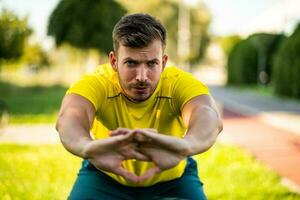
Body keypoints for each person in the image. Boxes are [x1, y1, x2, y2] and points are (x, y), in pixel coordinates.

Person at [56, 13, 223, 200]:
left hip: (173, 178)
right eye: (131, 63)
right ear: (113, 62)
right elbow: (69, 117)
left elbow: (207, 115)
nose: (142, 76)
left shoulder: (178, 83)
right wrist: (85, 147)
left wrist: (186, 145)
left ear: (164, 62)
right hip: (104, 176)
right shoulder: (97, 82)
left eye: (152, 63)